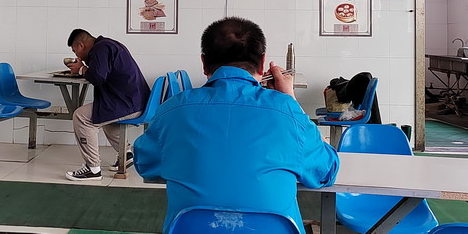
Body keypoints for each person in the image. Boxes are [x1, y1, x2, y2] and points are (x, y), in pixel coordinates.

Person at [133, 17, 339, 233]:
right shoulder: (287, 111)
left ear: (203, 63)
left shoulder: (173, 109)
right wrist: (290, 99)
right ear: (262, 63)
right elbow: (326, 171)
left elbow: (145, 165)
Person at [64, 29, 150, 181]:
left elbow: (97, 78)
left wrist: (81, 69)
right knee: (102, 114)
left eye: (75, 50)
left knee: (81, 117)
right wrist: (84, 68)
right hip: (136, 101)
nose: (77, 55)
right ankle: (126, 154)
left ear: (81, 45)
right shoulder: (108, 45)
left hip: (128, 104)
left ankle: (92, 169)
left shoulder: (100, 49)